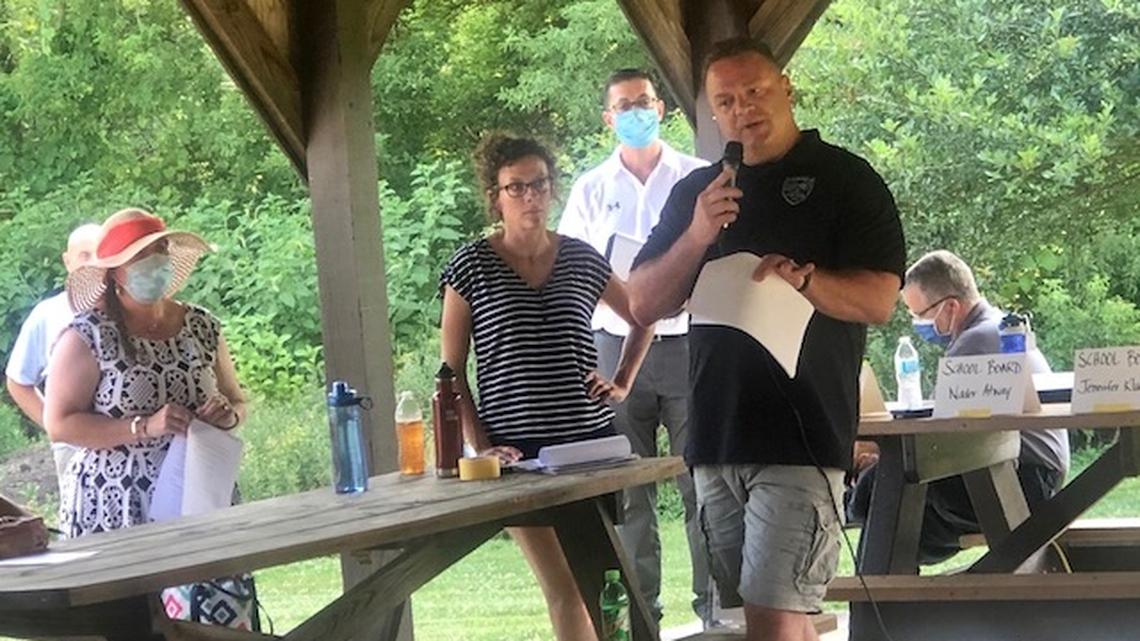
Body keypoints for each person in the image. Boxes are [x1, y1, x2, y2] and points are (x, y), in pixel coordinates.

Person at [628, 37, 906, 641]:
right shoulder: (696, 194)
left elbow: (879, 299)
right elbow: (645, 301)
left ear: (786, 88)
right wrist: (698, 234)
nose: (743, 108)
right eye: (725, 101)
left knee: (776, 620)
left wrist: (807, 279)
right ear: (712, 115)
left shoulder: (846, 180)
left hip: (802, 436)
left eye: (755, 91)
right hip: (717, 436)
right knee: (768, 617)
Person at [440, 133, 655, 641]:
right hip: (518, 453)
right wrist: (480, 443)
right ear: (495, 196)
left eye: (538, 184)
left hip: (589, 445)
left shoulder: (582, 259)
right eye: (516, 188)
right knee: (562, 585)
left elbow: (643, 316)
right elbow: (451, 370)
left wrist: (622, 381)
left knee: (602, 582)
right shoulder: (471, 266)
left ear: (553, 189)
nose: (530, 197)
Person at [43, 207, 253, 627]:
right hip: (118, 506)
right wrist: (142, 427)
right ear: (114, 273)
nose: (153, 261)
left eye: (159, 250)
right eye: (140, 256)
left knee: (212, 623)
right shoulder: (88, 335)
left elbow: (238, 399)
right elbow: (60, 422)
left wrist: (226, 416)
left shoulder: (201, 326)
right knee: (133, 626)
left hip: (199, 495)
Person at [557, 68, 711, 625]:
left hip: (688, 346)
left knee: (704, 483)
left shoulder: (695, 177)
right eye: (623, 106)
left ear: (661, 107)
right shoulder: (590, 190)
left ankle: (715, 611)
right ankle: (640, 618)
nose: (635, 113)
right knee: (629, 492)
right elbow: (570, 268)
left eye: (643, 102)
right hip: (613, 352)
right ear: (608, 118)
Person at [847, 250, 1070, 563]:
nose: (918, 325)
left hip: (1020, 480)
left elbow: (942, 439)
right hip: (1030, 477)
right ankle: (883, 592)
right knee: (892, 513)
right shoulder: (997, 330)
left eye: (921, 315)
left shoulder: (974, 343)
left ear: (950, 306)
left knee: (886, 497)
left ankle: (875, 594)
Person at [5, 223, 101, 479]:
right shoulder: (48, 314)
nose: (94, 262)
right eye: (85, 255)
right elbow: (18, 381)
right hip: (73, 449)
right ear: (67, 261)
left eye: (101, 253)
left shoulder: (127, 309)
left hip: (129, 440)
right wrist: (55, 425)